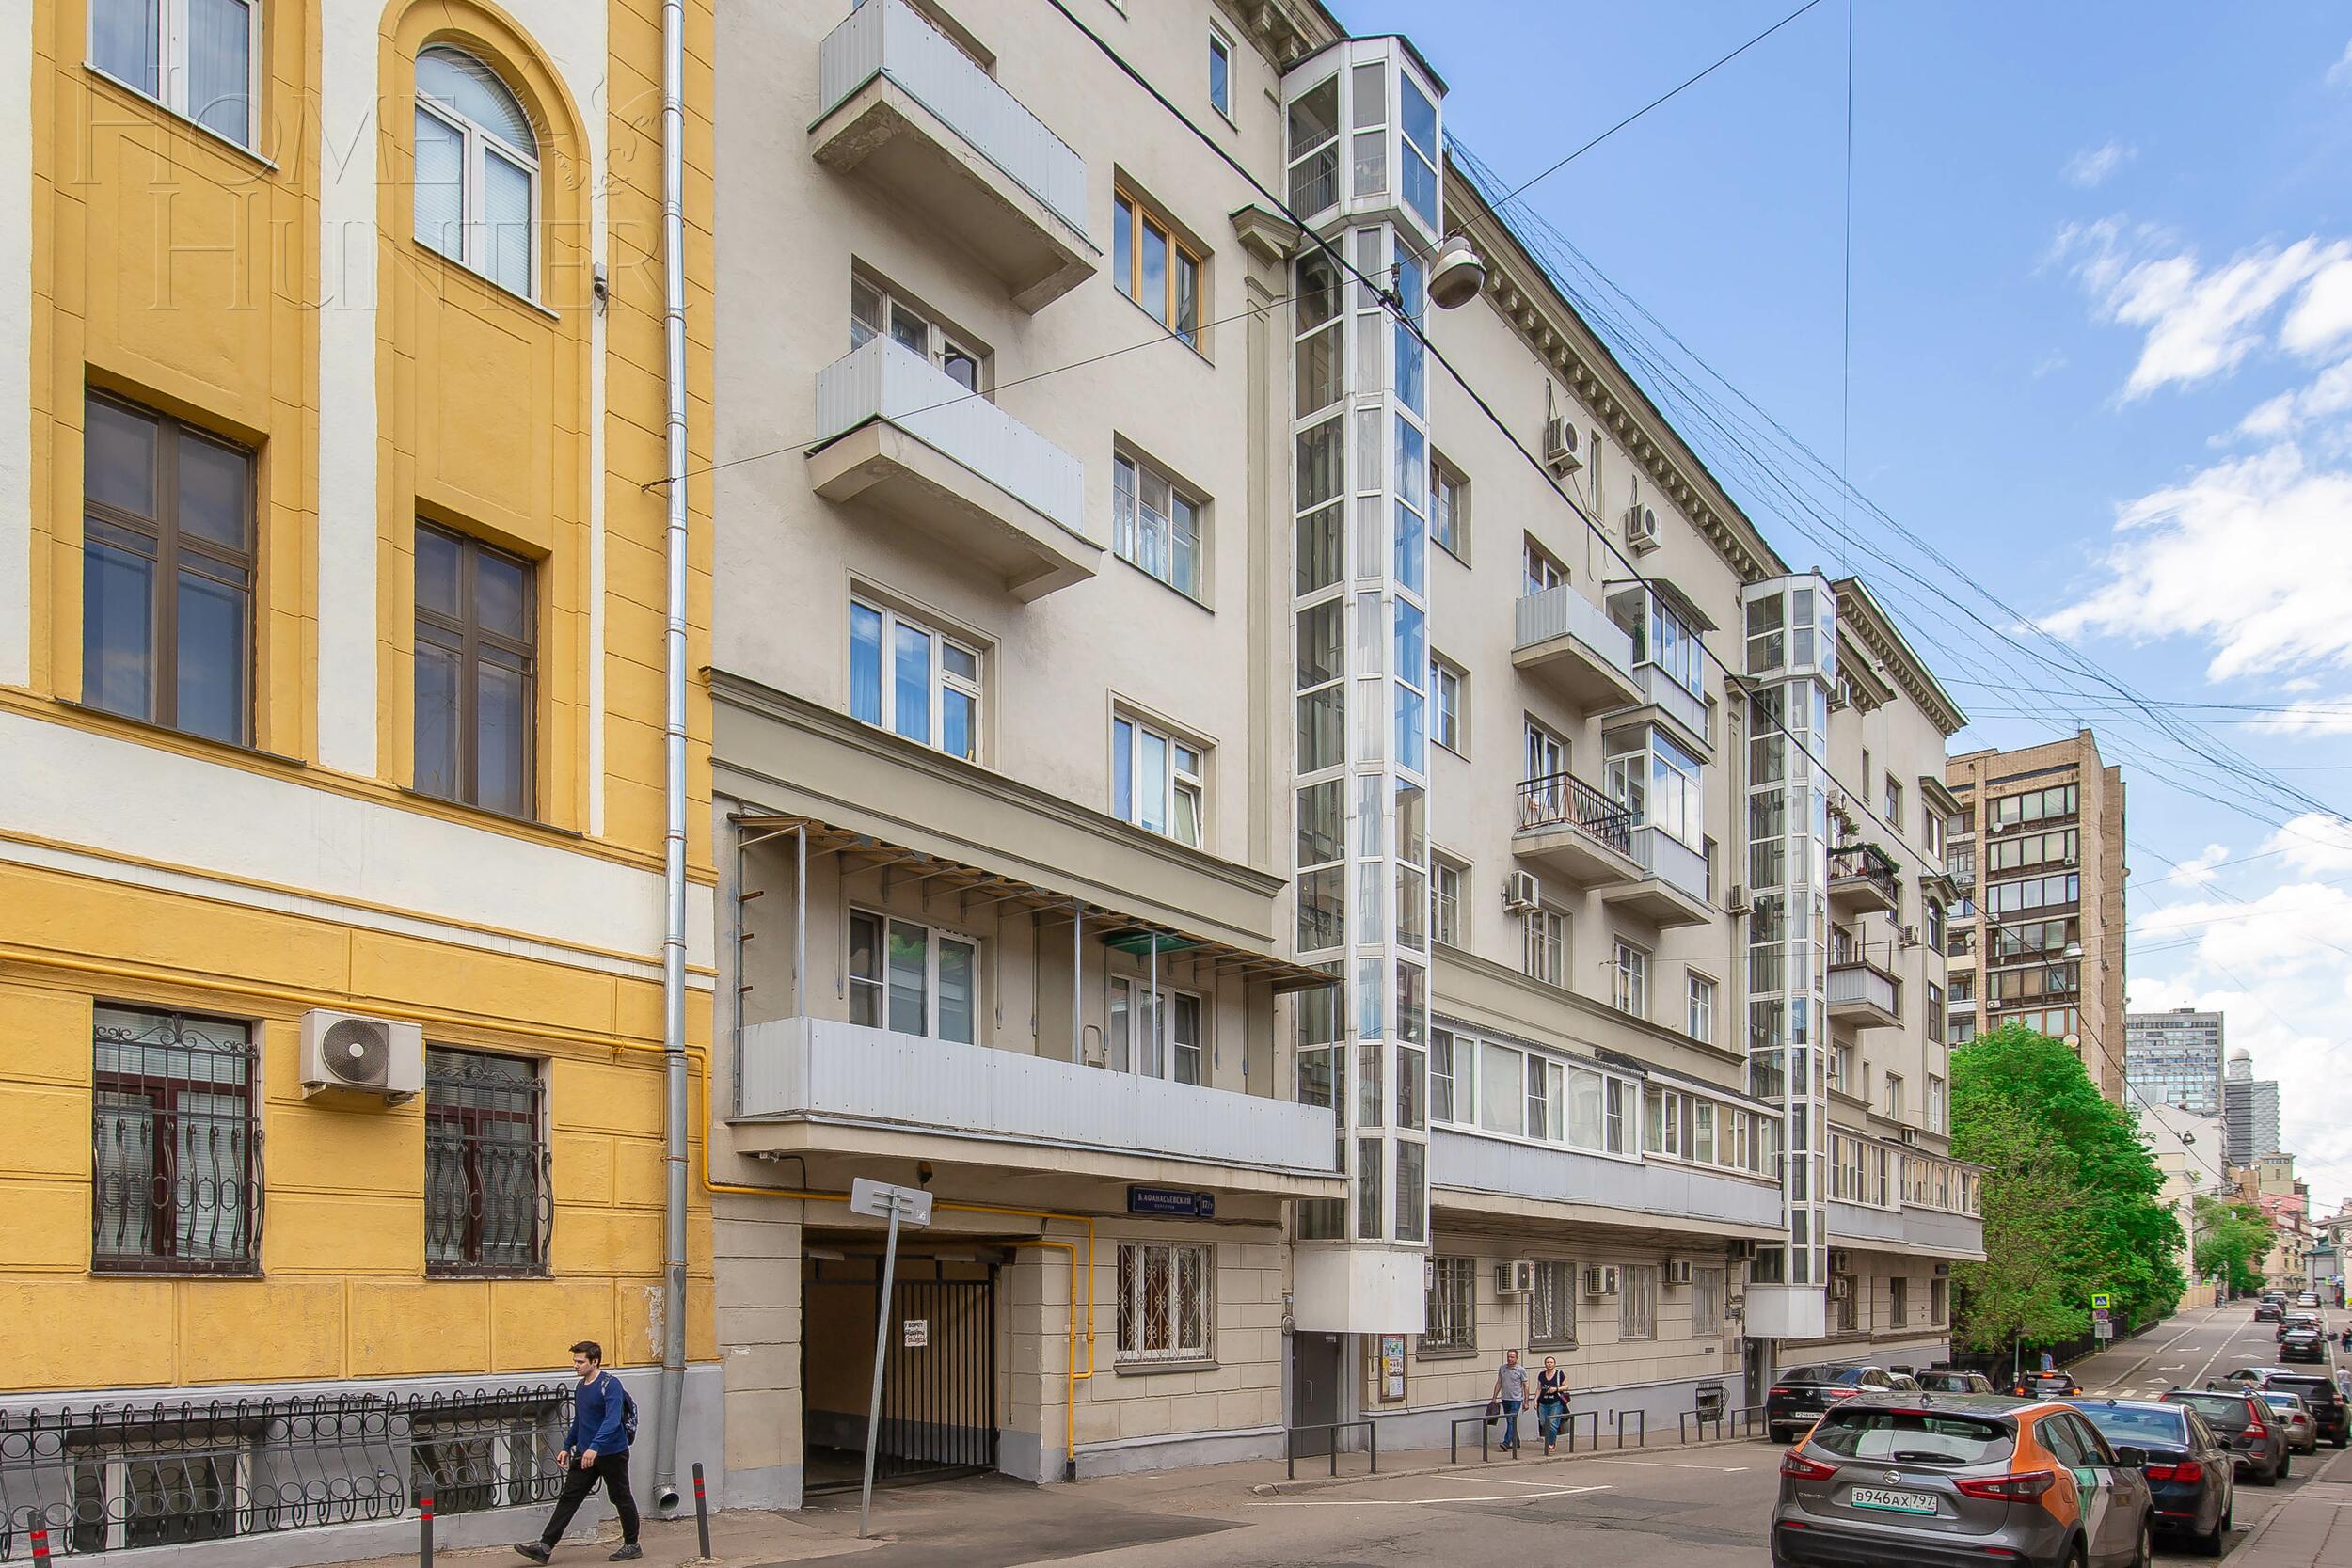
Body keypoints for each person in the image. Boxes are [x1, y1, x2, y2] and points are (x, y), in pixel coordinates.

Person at [517, 1341, 642, 1563]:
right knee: (569, 1497)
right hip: (585, 1453)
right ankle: (544, 1548)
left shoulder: (610, 1385)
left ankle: (632, 1544)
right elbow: (580, 1420)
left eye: (580, 1361)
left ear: (594, 1361)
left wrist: (595, 1447)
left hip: (612, 1452)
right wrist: (567, 1446)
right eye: (575, 1361)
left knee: (620, 1496)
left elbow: (612, 1420)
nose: (575, 1365)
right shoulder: (581, 1386)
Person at [1490, 1348, 1529, 1456]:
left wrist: (1526, 1401)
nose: (1510, 1359)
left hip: (1516, 1399)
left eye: (1512, 1357)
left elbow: (1526, 1385)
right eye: (1508, 1357)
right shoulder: (1502, 1368)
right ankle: (1517, 1442)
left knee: (1511, 1420)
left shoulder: (1521, 1370)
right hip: (1505, 1398)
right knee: (1510, 1421)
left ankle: (1506, 1443)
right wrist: (1494, 1397)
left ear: (1516, 1358)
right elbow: (1499, 1382)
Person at [1535, 1355, 1569, 1456]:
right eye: (1547, 1362)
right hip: (1543, 1402)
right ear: (1545, 1364)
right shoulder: (1541, 1375)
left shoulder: (1559, 1374)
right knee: (1543, 1422)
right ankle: (1549, 1439)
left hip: (1556, 1402)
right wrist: (1535, 1400)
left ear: (1554, 1364)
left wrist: (1556, 1389)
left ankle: (1551, 1443)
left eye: (1551, 1362)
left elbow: (1566, 1386)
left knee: (1553, 1423)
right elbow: (1539, 1388)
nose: (1549, 1364)